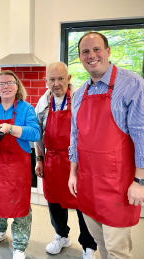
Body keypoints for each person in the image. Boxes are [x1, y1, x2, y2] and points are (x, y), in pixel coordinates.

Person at [68, 32, 144, 259]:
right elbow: (75, 137)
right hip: (88, 183)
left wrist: (141, 181)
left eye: (97, 49)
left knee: (117, 249)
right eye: (85, 52)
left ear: (108, 51)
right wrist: (73, 172)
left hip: (118, 186)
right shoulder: (80, 94)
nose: (92, 55)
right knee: (101, 243)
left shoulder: (132, 85)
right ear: (80, 57)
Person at [34, 62, 97, 259]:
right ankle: (61, 235)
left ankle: (89, 245)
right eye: (52, 79)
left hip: (76, 161)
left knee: (82, 204)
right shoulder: (43, 103)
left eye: (60, 78)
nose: (56, 83)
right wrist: (39, 160)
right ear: (46, 81)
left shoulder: (81, 99)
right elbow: (38, 135)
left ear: (68, 79)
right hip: (52, 160)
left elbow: (89, 132)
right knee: (54, 202)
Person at [0, 70, 40, 259]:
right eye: (1, 84)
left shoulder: (26, 108)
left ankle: (20, 245)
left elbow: (35, 133)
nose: (5, 86)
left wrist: (10, 129)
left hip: (17, 167)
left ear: (17, 86)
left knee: (20, 205)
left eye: (9, 83)